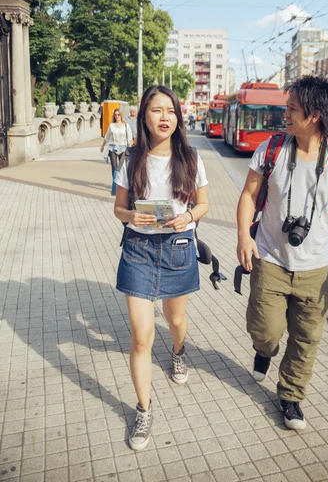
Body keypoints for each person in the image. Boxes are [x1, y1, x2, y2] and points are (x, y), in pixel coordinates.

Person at [236, 76, 328, 431]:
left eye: (292, 108)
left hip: (317, 268)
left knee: (306, 339)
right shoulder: (270, 149)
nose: (284, 113)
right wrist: (244, 236)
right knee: (266, 331)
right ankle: (263, 351)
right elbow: (247, 195)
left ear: (314, 114)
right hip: (271, 259)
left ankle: (291, 397)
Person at [113, 85, 209, 450]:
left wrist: (187, 216)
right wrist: (129, 214)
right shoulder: (130, 158)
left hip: (178, 249)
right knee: (141, 336)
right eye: (156, 110)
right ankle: (143, 410)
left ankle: (179, 352)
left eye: (170, 110)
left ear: (178, 117)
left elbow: (203, 204)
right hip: (137, 250)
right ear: (143, 115)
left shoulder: (191, 157)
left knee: (175, 320)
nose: (164, 117)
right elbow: (118, 208)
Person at [100, 108, 133, 177]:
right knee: (114, 167)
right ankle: (114, 185)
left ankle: (121, 184)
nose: (117, 116)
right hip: (113, 148)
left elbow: (129, 139)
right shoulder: (112, 126)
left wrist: (129, 150)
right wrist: (102, 146)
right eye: (115, 115)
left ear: (121, 115)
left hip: (123, 148)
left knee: (122, 167)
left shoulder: (126, 126)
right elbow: (107, 137)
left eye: (118, 114)